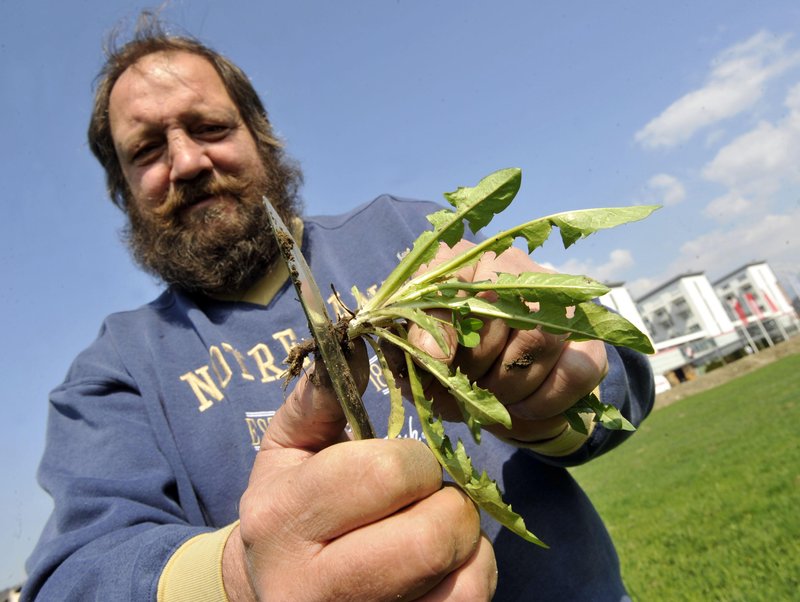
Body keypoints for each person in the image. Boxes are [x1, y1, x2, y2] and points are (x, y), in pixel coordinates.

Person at [23, 16, 654, 602]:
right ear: (123, 190)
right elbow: (73, 573)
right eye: (147, 150)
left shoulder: (409, 236)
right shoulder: (117, 371)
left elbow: (618, 378)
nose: (187, 161)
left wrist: (551, 394)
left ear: (259, 134)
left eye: (210, 127)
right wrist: (241, 576)